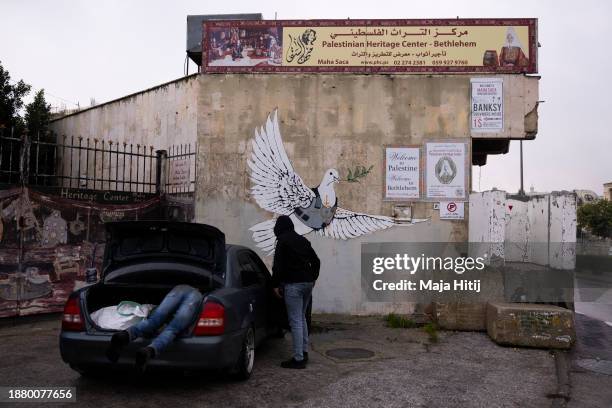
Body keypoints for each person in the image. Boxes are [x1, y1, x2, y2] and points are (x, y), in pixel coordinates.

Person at [105, 284, 203, 372]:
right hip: (194, 298)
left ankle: (124, 335)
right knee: (172, 329)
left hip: (180, 288)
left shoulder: (181, 286)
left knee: (153, 321)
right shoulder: (199, 296)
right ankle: (148, 350)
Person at [271, 215, 320, 369]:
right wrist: (313, 278)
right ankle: (304, 352)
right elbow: (316, 261)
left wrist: (275, 285)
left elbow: (277, 266)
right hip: (307, 284)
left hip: (293, 285)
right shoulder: (303, 240)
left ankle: (298, 359)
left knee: (296, 321)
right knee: (302, 318)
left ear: (279, 228)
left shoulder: (282, 242)